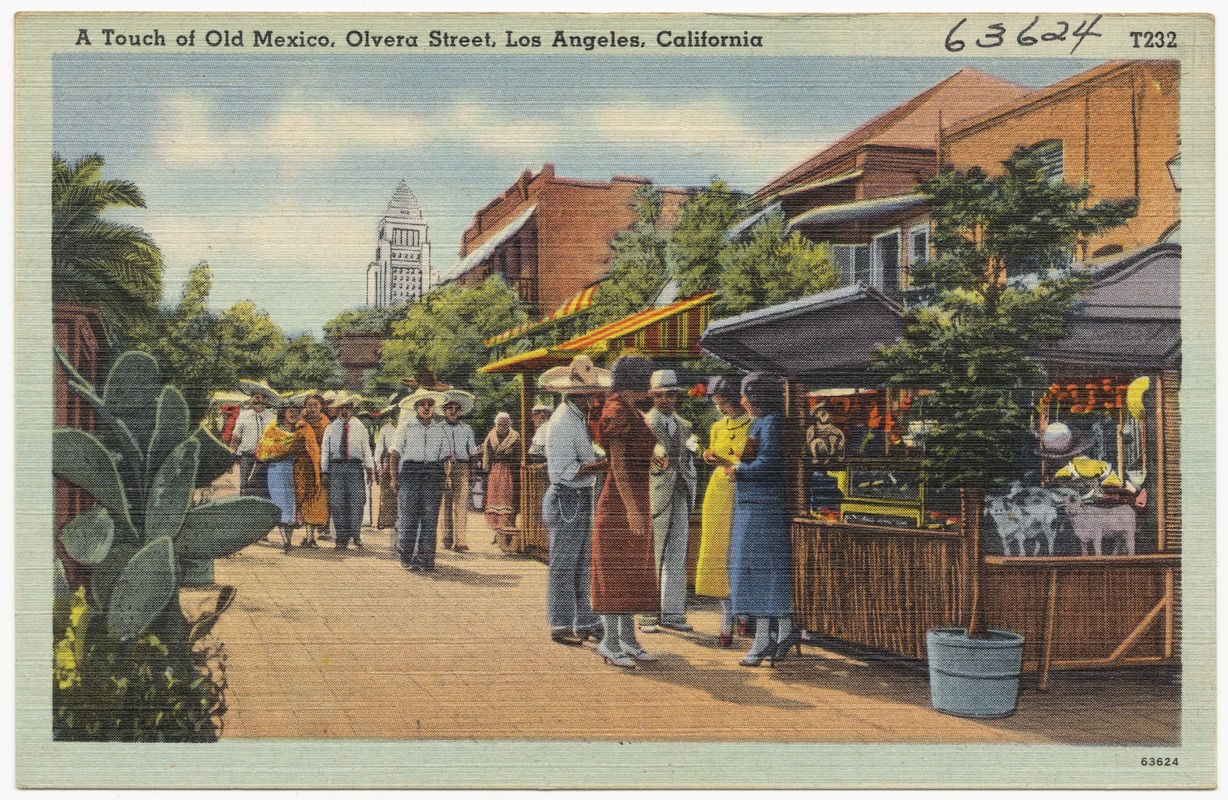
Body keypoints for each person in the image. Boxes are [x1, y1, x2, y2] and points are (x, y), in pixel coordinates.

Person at [590, 354, 661, 669]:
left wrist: (653, 457)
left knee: (633, 572)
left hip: (635, 498)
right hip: (621, 503)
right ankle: (609, 641)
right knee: (616, 574)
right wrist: (632, 510)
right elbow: (616, 465)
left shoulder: (629, 407)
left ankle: (629, 639)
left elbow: (633, 452)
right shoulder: (616, 409)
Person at [538, 356, 610, 646]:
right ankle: (561, 623)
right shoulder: (562, 423)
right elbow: (567, 470)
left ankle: (586, 620)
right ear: (575, 394)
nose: (594, 398)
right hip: (567, 496)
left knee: (581, 564)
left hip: (578, 495)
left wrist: (599, 462)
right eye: (589, 394)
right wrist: (606, 464)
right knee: (564, 564)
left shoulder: (577, 419)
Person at [727, 373, 797, 667]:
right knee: (760, 569)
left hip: (762, 506)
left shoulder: (771, 423)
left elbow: (769, 462)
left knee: (762, 570)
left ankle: (763, 638)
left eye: (745, 395)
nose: (741, 400)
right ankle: (779, 632)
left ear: (756, 397)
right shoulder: (763, 422)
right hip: (754, 505)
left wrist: (740, 471)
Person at [695, 376, 751, 647]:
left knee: (738, 552)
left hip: (741, 490)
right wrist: (709, 456)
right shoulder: (717, 426)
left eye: (723, 402)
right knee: (717, 552)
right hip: (718, 491)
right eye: (717, 403)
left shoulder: (752, 425)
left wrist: (727, 460)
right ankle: (726, 617)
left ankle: (744, 611)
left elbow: (748, 462)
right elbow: (715, 455)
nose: (720, 408)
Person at [640, 369, 697, 634]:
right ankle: (648, 615)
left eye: (671, 395)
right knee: (653, 553)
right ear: (652, 396)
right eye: (661, 395)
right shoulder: (645, 423)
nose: (667, 400)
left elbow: (689, 459)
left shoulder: (684, 425)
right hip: (656, 492)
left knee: (677, 553)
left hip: (681, 491)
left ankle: (672, 612)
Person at [390, 387, 449, 571]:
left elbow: (446, 456)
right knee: (409, 516)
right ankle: (406, 556)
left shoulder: (441, 429)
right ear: (416, 407)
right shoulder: (406, 426)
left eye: (429, 404)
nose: (426, 408)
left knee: (430, 518)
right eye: (422, 404)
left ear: (434, 408)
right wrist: (394, 478)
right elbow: (394, 454)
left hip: (433, 473)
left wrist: (446, 478)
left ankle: (426, 558)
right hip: (411, 473)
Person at [255, 404, 315, 553]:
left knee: (292, 505)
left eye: (296, 412)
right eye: (290, 412)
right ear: (284, 413)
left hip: (295, 471)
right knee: (280, 504)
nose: (293, 415)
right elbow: (263, 452)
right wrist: (284, 451)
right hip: (276, 471)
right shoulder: (273, 429)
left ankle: (288, 539)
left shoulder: (301, 431)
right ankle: (285, 540)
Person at [321, 393, 375, 551]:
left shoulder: (359, 427)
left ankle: (356, 534)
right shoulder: (330, 428)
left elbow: (366, 449)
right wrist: (324, 471)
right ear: (337, 410)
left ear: (352, 409)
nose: (345, 411)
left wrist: (370, 469)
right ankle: (341, 538)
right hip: (336, 467)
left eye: (348, 408)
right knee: (337, 503)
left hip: (355, 467)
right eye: (342, 408)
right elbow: (325, 451)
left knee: (357, 502)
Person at [439, 389, 479, 553]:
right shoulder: (438, 428)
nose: (453, 412)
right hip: (443, 467)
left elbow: (472, 452)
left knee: (461, 504)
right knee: (445, 503)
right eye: (450, 408)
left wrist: (474, 469)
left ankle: (460, 541)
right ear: (444, 411)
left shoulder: (467, 429)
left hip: (462, 467)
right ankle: (446, 538)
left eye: (457, 409)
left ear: (461, 411)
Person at [295, 393, 331, 547]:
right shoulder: (300, 424)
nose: (312, 408)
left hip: (320, 466)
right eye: (309, 405)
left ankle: (313, 535)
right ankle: (308, 536)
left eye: (315, 405)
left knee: (318, 500)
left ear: (321, 407)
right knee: (304, 498)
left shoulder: (326, 424)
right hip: (303, 466)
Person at [232, 389, 276, 496]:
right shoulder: (243, 416)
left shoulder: (272, 417)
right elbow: (236, 438)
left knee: (264, 486)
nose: (259, 401)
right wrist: (231, 456)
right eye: (257, 397)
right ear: (251, 399)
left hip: (265, 459)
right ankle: (245, 508)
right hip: (247, 457)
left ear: (266, 400)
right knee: (245, 486)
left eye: (263, 398)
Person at [482, 412, 521, 530]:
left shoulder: (515, 436)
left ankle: (508, 524)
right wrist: (486, 468)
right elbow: (486, 453)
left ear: (509, 423)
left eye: (505, 423)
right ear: (496, 423)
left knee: (508, 497)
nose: (502, 425)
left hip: (509, 470)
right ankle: (495, 527)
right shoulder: (491, 435)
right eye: (500, 423)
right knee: (494, 497)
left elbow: (519, 454)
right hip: (494, 470)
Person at [374, 405, 400, 531]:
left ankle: (398, 520)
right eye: (395, 413)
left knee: (400, 491)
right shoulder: (386, 429)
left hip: (402, 460)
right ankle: (385, 520)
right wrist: (378, 466)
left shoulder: (405, 427)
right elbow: (379, 448)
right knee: (386, 491)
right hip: (388, 459)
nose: (398, 415)